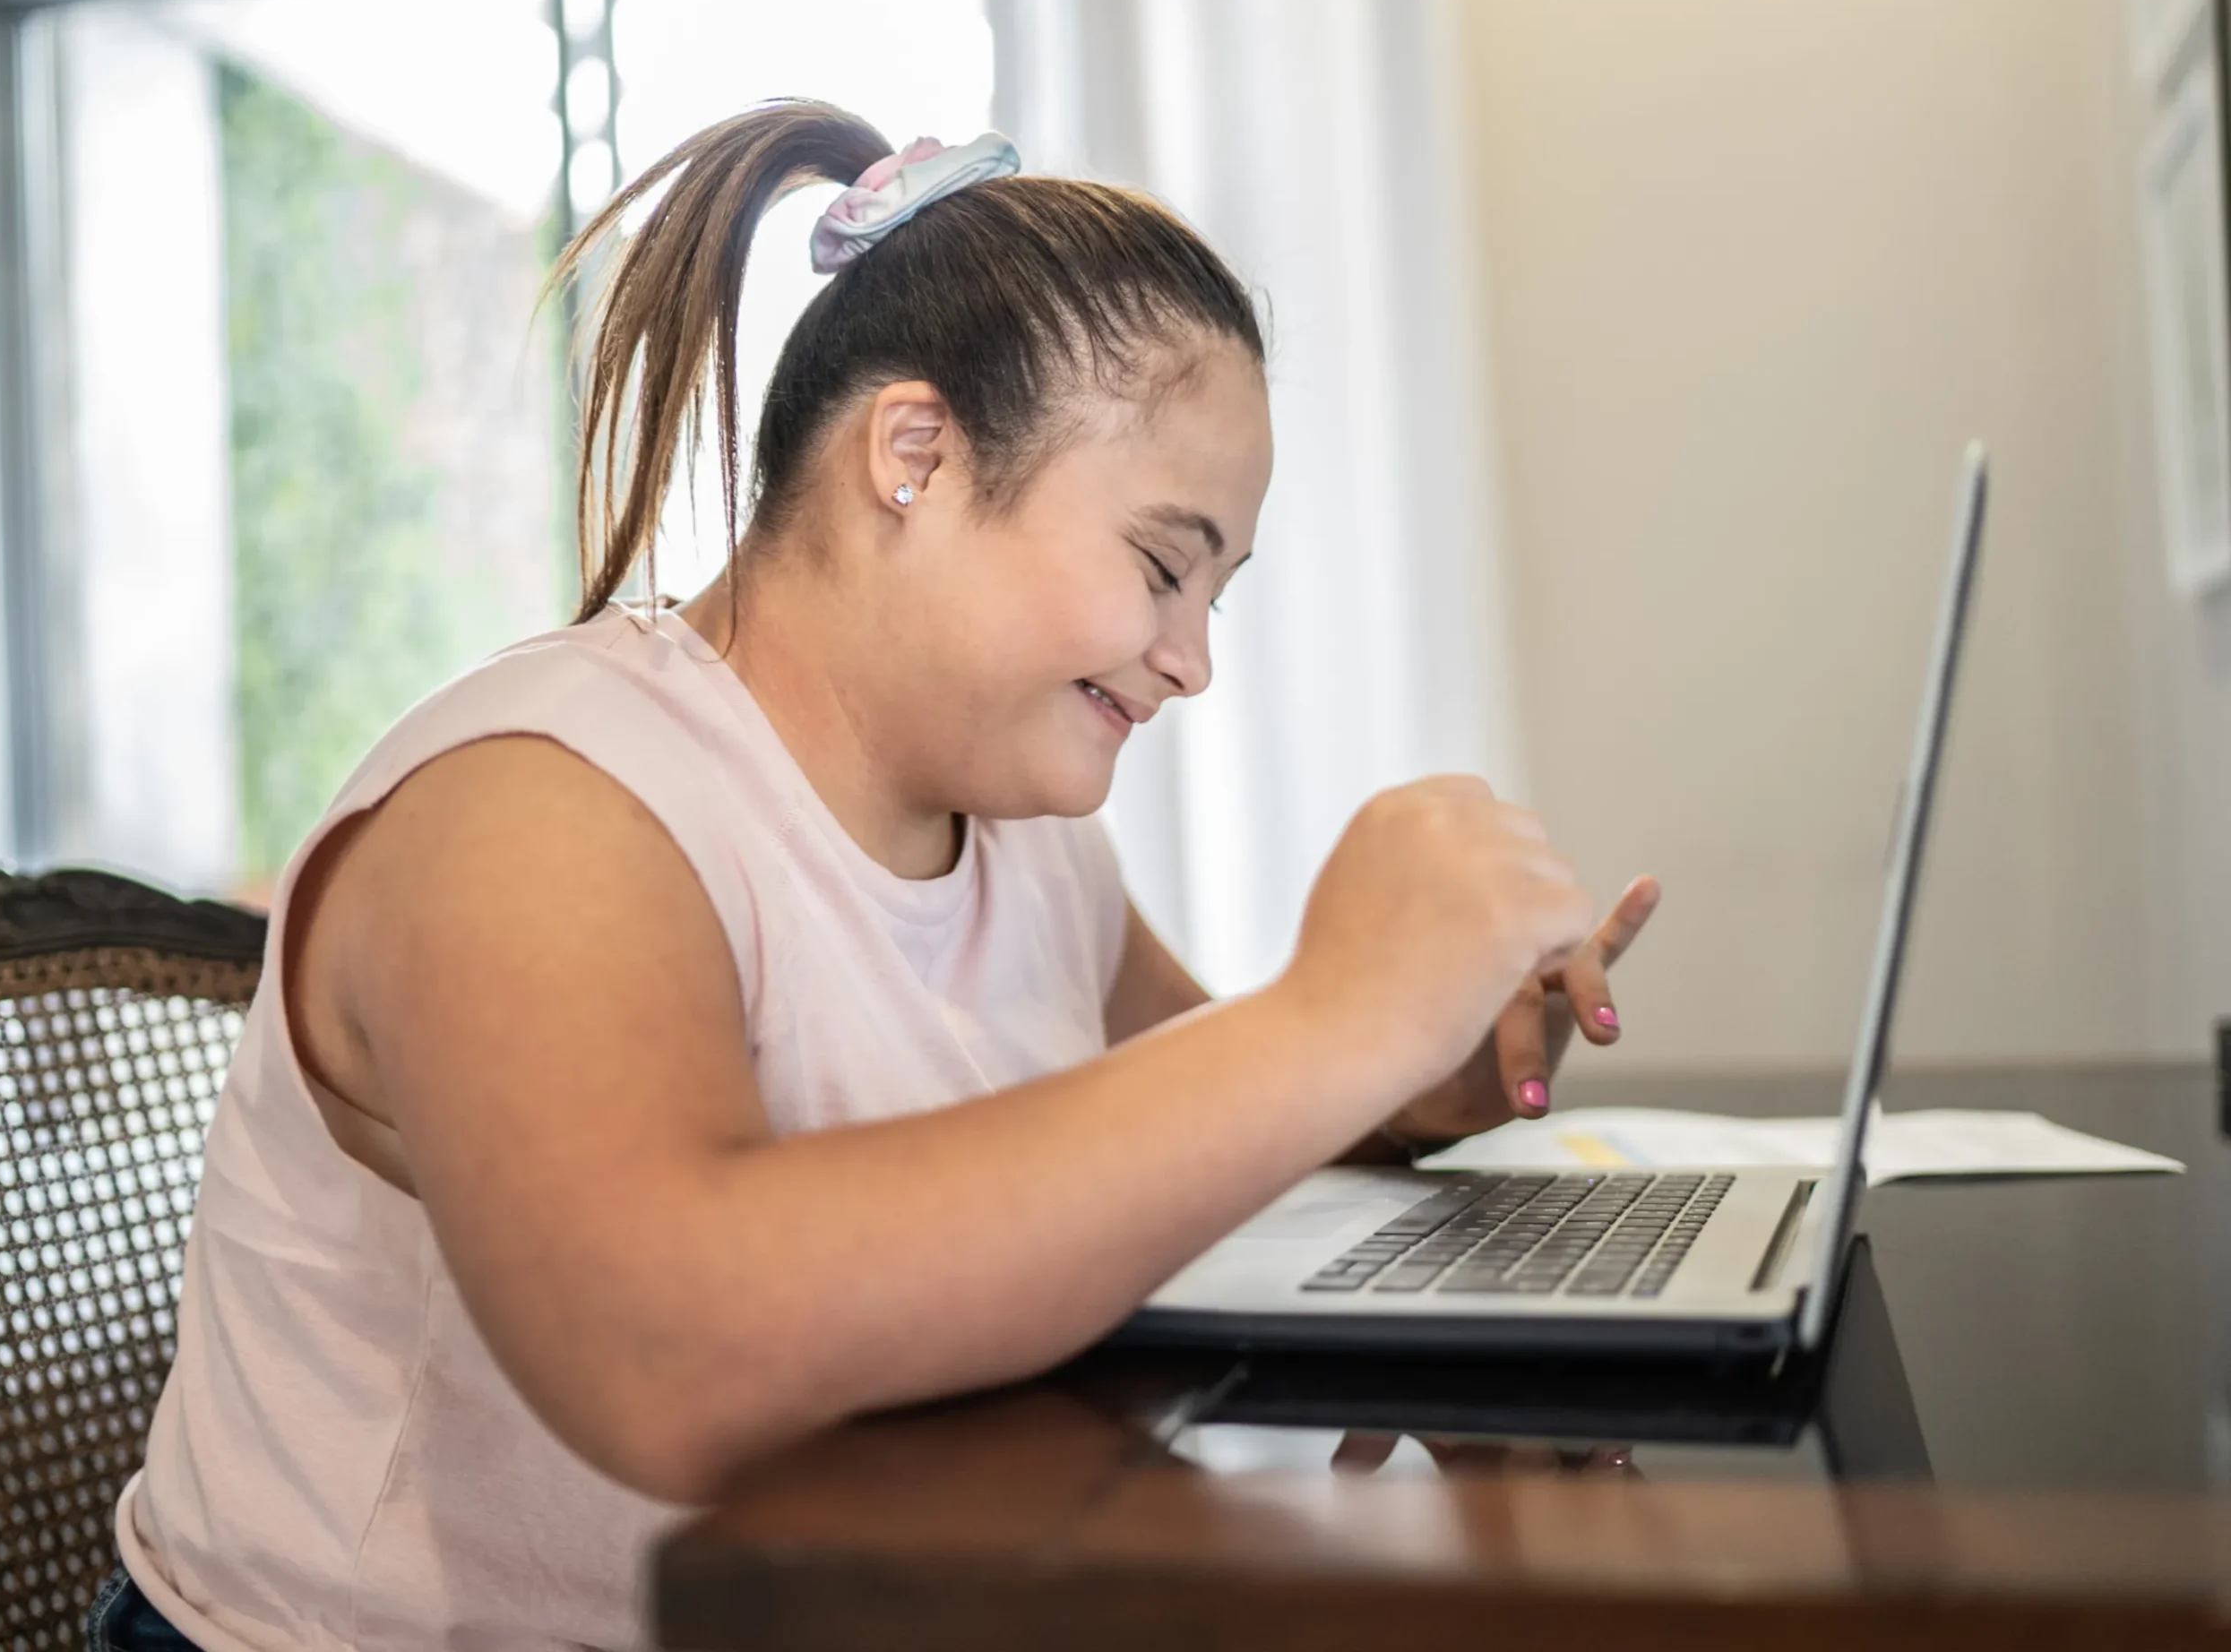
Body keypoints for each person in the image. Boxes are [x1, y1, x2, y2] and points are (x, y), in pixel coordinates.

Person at [93, 100, 1658, 1650]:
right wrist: (1333, 1016)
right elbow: (666, 1359)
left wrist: (1429, 1059)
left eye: (1219, 597)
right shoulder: (535, 809)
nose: (1191, 664)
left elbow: (1190, 1115)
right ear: (913, 453)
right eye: (1162, 565)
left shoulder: (1034, 851)